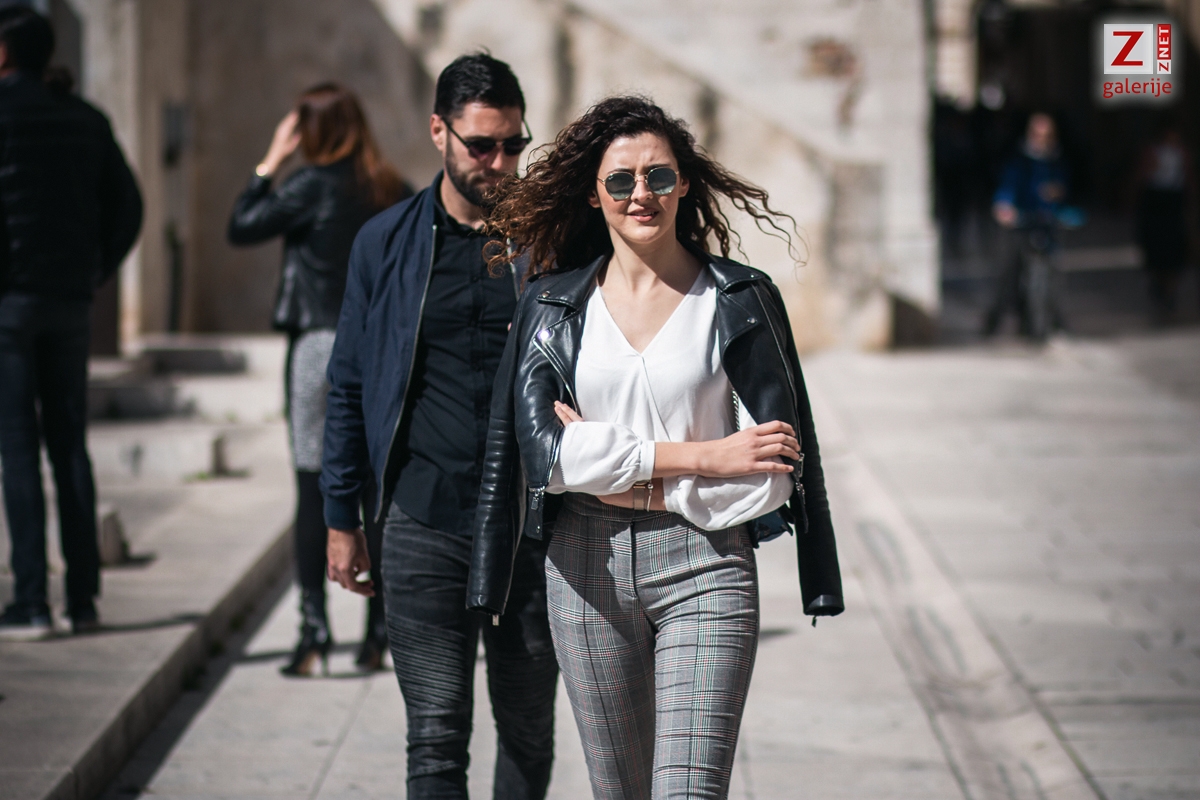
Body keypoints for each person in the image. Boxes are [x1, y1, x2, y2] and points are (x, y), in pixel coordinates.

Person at [469, 95, 844, 800]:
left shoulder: (738, 298)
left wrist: (610, 461)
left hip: (707, 562)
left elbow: (770, 470)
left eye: (658, 176)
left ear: (684, 184)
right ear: (593, 194)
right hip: (584, 567)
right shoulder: (553, 307)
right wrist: (705, 457)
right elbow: (550, 460)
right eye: (620, 180)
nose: (641, 193)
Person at [322, 54, 558, 799]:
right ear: (438, 132)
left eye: (514, 144)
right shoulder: (384, 242)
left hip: (532, 528)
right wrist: (341, 516)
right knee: (434, 736)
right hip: (422, 519)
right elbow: (348, 382)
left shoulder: (552, 243)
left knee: (528, 733)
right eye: (481, 145)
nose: (500, 163)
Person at [228, 82, 410, 674]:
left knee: (313, 486)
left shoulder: (308, 185)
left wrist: (270, 161)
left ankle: (313, 634)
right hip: (379, 349)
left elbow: (242, 225)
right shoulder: (392, 188)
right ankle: (378, 631)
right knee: (376, 487)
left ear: (308, 131)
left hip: (317, 349)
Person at [0, 7, 142, 640]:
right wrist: (94, 270)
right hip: (68, 302)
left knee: (17, 450)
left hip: (10, 306)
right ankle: (83, 600)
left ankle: (31, 600)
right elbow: (129, 206)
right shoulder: (86, 119)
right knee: (69, 447)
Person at [984, 112, 1070, 337]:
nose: (1041, 139)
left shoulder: (1056, 160)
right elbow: (1008, 187)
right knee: (1008, 274)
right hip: (1020, 224)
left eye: (1046, 135)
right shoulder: (1018, 160)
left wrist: (1058, 194)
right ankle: (996, 319)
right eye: (1037, 134)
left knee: (1051, 273)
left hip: (1046, 223)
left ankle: (1051, 319)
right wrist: (1004, 206)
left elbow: (1064, 187)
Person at [1134, 126, 1194, 325]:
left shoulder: (1182, 153)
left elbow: (1187, 177)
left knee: (1175, 248)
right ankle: (1159, 285)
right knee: (1156, 247)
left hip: (1174, 202)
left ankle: (1170, 292)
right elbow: (1143, 175)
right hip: (1156, 202)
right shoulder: (1153, 151)